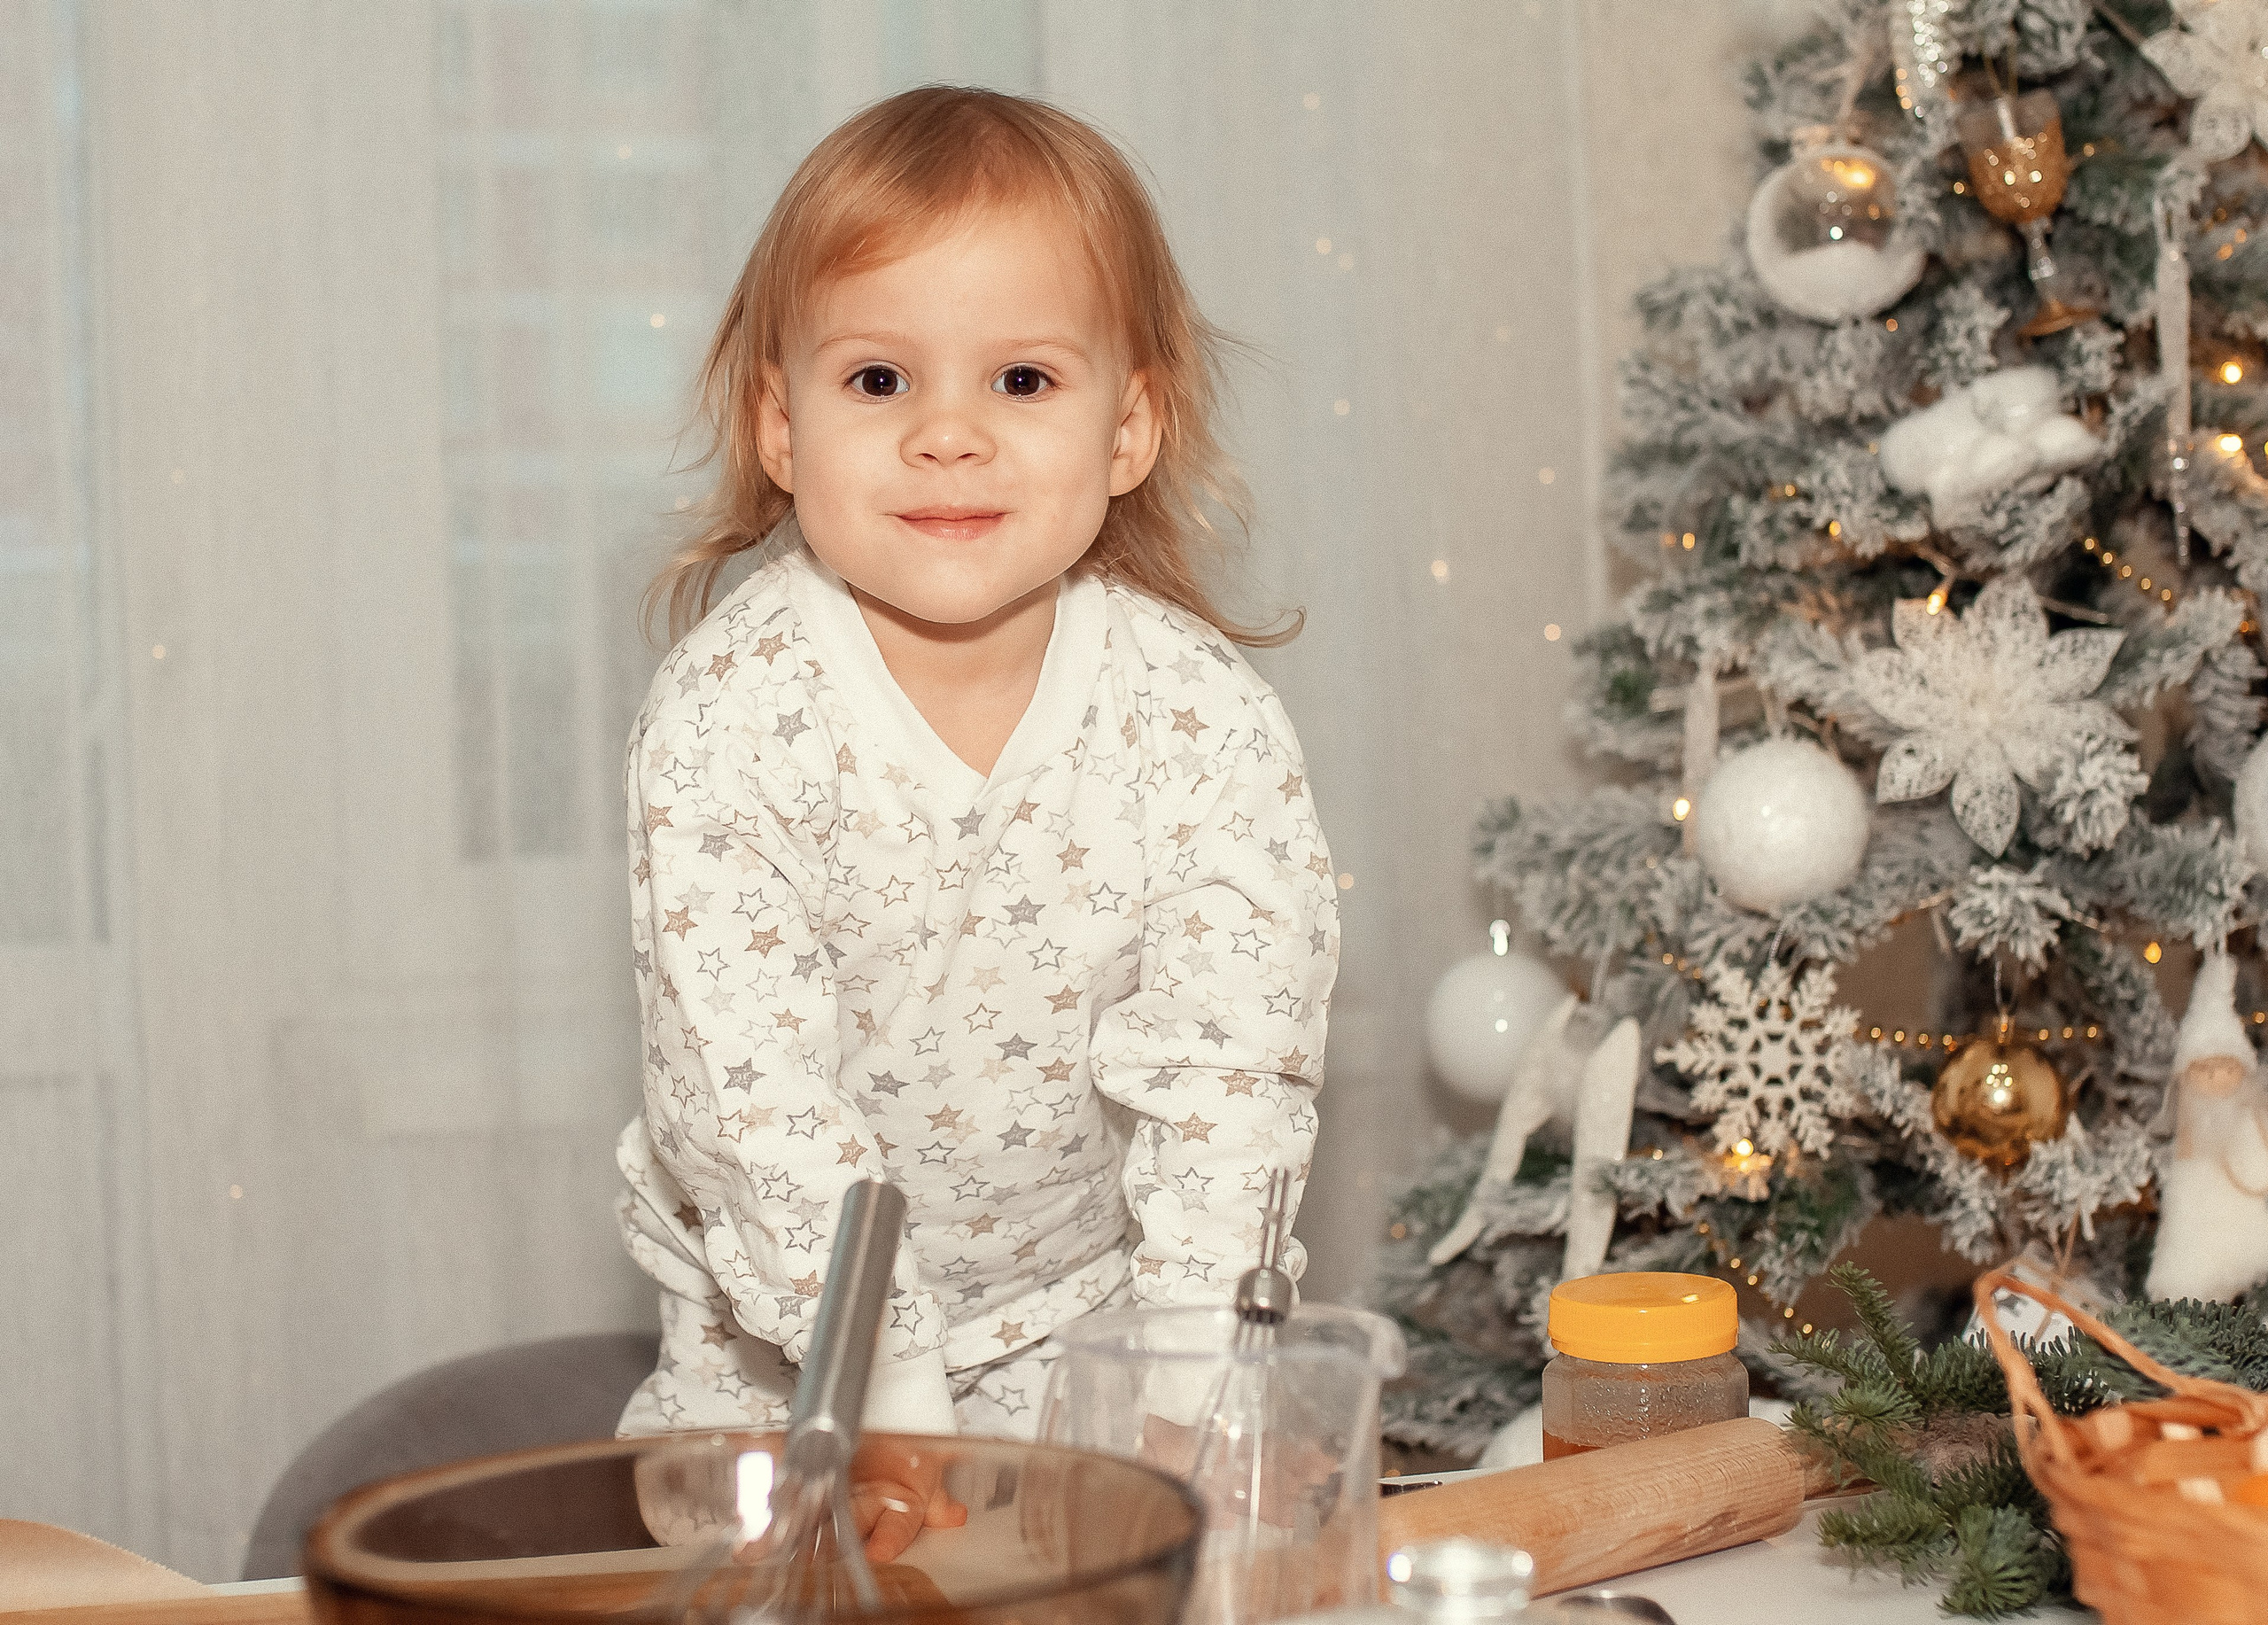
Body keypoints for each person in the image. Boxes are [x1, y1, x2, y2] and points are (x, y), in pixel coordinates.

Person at [612, 84, 1338, 1556]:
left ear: (1128, 425)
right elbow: (758, 1124)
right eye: (881, 382)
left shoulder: (1199, 720)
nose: (949, 436)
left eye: (1020, 381)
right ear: (780, 424)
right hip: (784, 1358)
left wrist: (1182, 1400)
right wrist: (891, 1415)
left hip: (1103, 1334)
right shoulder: (728, 719)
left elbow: (1232, 1084)